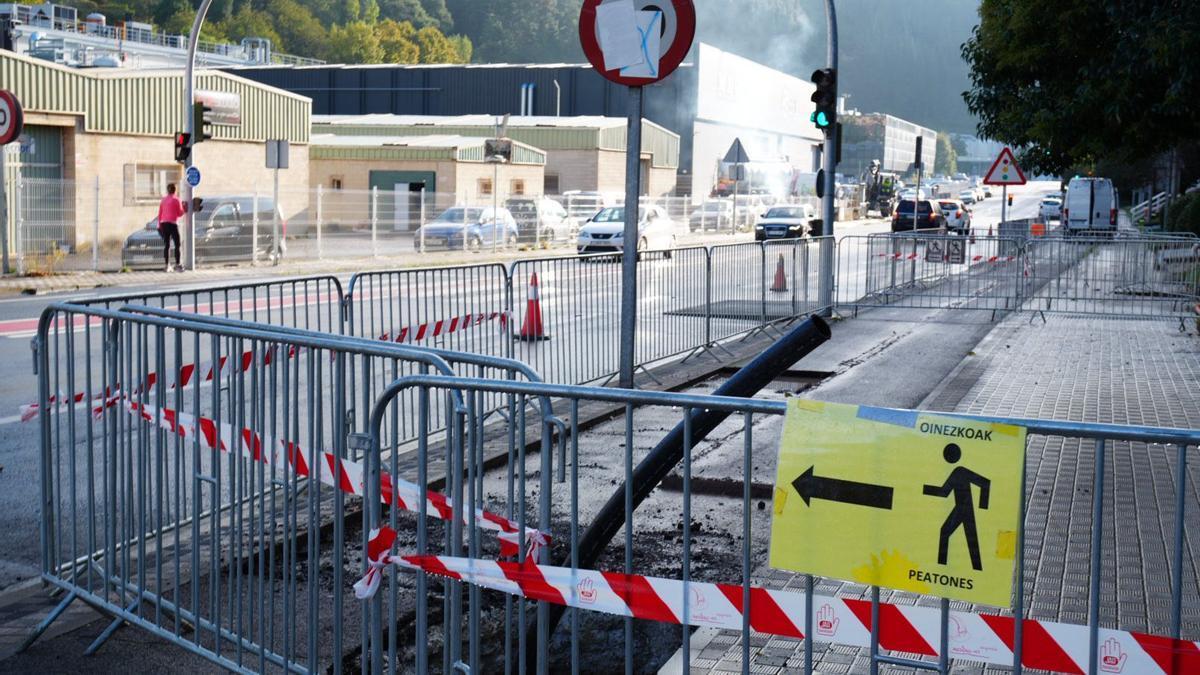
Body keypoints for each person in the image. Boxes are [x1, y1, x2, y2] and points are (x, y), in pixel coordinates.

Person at [156, 183, 185, 271]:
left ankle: (167, 265)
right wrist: (184, 207)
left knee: (167, 245)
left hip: (164, 224)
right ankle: (177, 264)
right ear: (175, 190)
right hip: (172, 223)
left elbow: (160, 213)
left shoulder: (163, 200)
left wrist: (159, 225)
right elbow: (180, 213)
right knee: (177, 244)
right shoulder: (177, 199)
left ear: (168, 190)